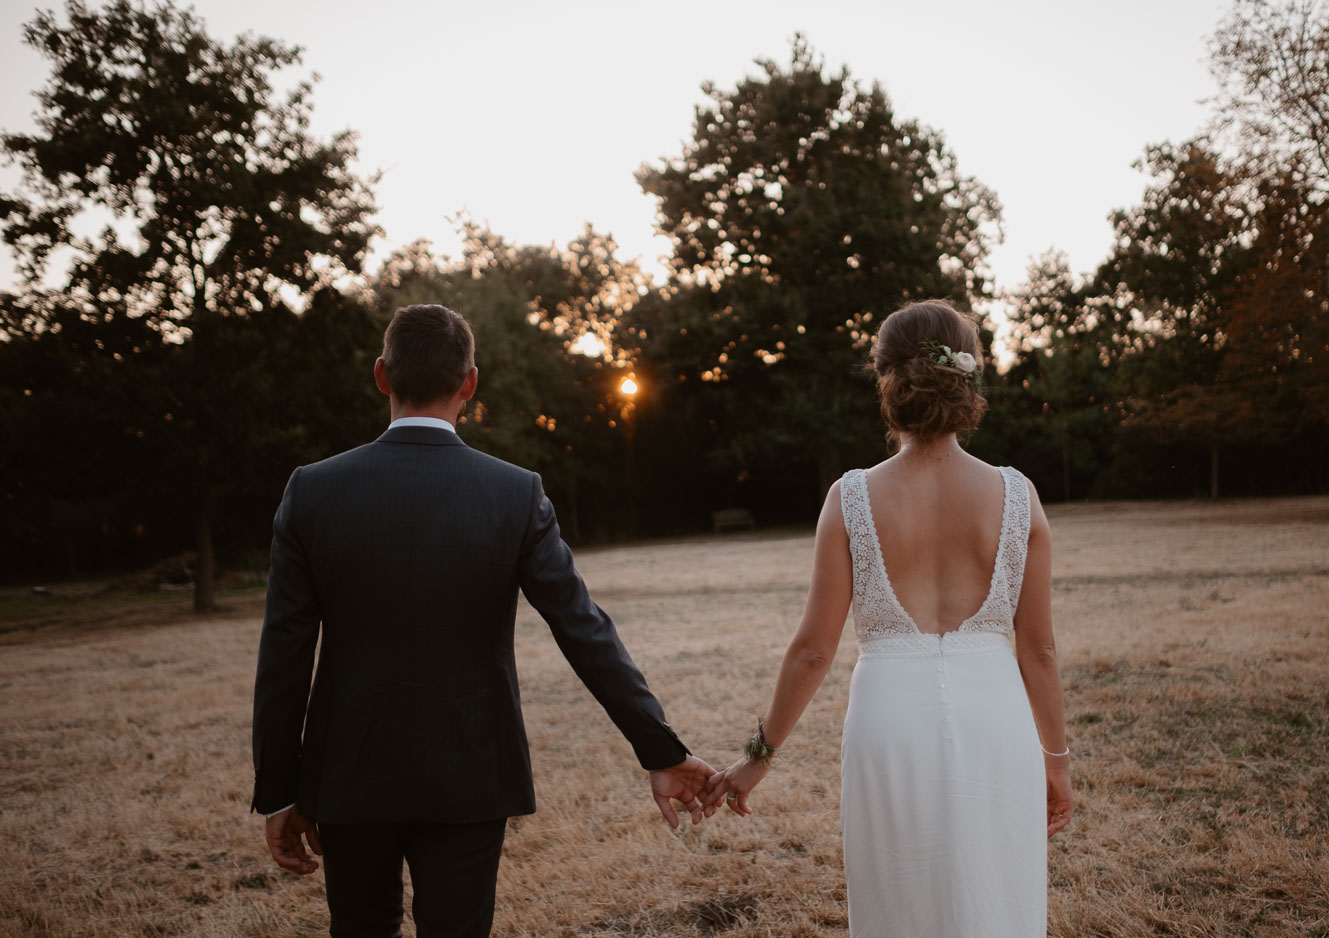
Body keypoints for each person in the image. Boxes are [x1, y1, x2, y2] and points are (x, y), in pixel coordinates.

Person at [251, 304, 715, 938]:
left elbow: (284, 653)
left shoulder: (312, 490)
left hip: (349, 772)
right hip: (469, 768)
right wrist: (660, 749)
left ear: (382, 376)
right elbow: (583, 628)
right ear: (469, 382)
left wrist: (278, 789)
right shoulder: (514, 493)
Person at [704, 299, 1074, 937]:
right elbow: (1037, 650)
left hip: (887, 719)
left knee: (898, 899)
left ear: (887, 381)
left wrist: (758, 757)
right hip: (997, 719)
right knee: (996, 901)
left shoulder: (850, 498)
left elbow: (813, 651)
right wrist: (1057, 760)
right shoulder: (1017, 494)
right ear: (970, 376)